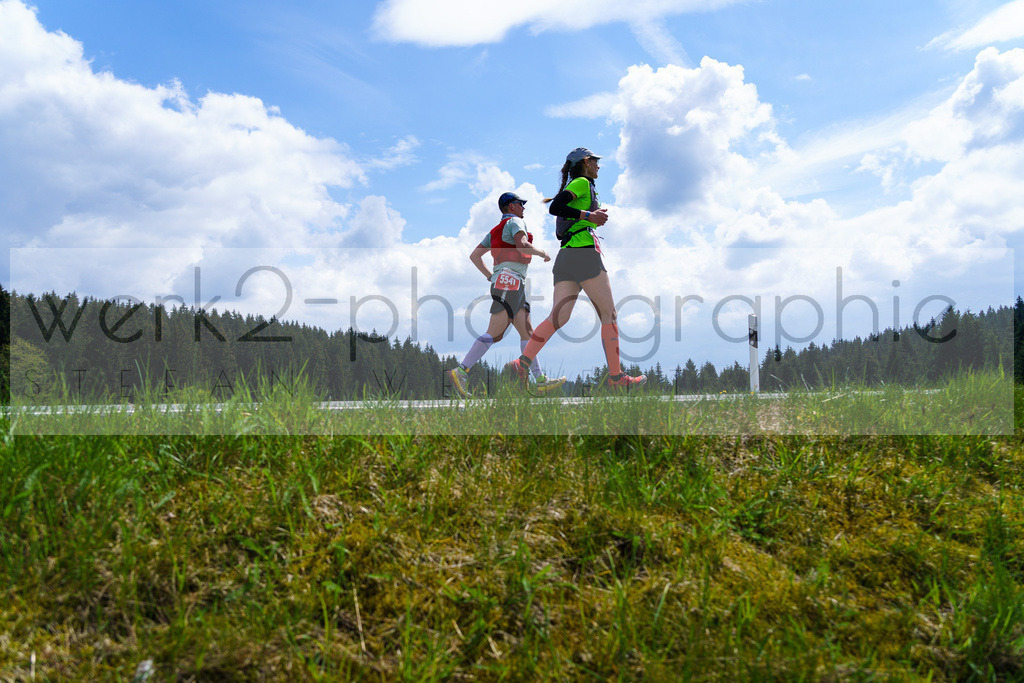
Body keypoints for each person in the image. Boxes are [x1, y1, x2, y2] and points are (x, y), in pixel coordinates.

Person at [506, 148, 647, 389]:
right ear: (585, 162)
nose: (598, 166)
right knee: (609, 315)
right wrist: (588, 216)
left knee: (558, 317)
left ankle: (523, 362)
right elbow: (556, 207)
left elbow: (562, 210)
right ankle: (616, 379)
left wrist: (588, 216)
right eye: (595, 161)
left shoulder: (577, 185)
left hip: (566, 257)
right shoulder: (582, 182)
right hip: (584, 255)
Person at [449, 192, 567, 397]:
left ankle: (539, 379)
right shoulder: (515, 222)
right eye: (521, 203)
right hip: (510, 282)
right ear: (511, 206)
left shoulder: (496, 230)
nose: (523, 207)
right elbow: (522, 245)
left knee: (527, 333)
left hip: (509, 282)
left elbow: (475, 256)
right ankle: (461, 371)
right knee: (495, 332)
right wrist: (542, 253)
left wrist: (491, 277)